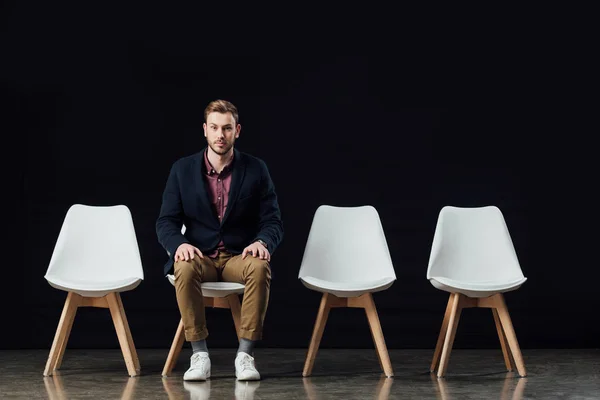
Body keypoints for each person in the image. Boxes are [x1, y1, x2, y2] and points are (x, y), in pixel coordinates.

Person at [156, 99, 283, 381]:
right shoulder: (182, 169)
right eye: (214, 127)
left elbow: (273, 220)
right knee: (183, 266)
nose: (220, 135)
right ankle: (199, 354)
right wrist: (180, 244)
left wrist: (262, 241)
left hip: (239, 256)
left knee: (260, 266)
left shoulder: (256, 168)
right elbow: (166, 221)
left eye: (226, 128)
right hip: (200, 255)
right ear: (205, 130)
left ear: (237, 130)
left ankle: (245, 355)